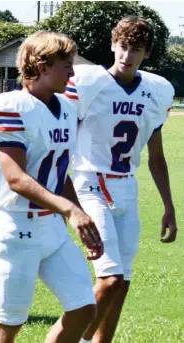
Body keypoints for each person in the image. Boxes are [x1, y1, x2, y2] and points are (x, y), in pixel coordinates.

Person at [0, 32, 103, 343]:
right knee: (9, 325)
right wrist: (70, 210)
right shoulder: (9, 106)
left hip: (53, 230)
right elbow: (16, 178)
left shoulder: (65, 108)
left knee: (84, 309)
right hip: (18, 229)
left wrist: (79, 219)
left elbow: (59, 172)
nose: (72, 73)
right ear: (42, 66)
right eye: (66, 65)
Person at [66, 17, 178, 343]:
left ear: (147, 53)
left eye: (136, 49)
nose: (127, 55)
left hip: (126, 186)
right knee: (110, 278)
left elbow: (156, 157)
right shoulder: (89, 82)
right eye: (123, 46)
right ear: (113, 44)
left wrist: (169, 206)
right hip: (91, 181)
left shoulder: (155, 91)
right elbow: (61, 134)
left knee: (123, 282)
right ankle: (74, 340)